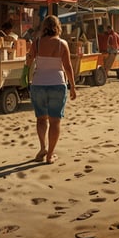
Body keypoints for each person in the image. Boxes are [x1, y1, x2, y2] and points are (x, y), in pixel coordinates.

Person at [25, 15, 76, 164]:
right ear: (58, 27)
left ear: (44, 27)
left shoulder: (37, 43)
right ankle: (50, 155)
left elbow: (28, 61)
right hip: (57, 84)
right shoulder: (62, 44)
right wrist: (73, 86)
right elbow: (67, 67)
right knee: (55, 122)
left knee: (41, 119)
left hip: (38, 84)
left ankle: (43, 148)